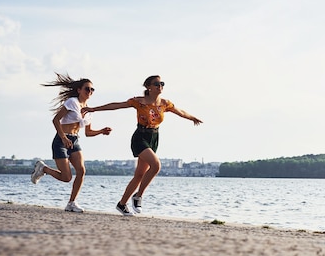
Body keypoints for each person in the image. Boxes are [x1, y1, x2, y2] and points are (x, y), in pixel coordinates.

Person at [82, 75, 202, 216]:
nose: (160, 86)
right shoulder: (139, 102)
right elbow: (116, 105)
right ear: (149, 87)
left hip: (154, 138)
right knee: (156, 165)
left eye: (162, 83)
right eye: (157, 84)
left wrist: (192, 118)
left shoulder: (165, 103)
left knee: (139, 175)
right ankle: (138, 196)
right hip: (140, 137)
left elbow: (180, 112)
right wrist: (94, 109)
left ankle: (121, 204)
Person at [31, 73, 112, 213]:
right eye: (87, 89)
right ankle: (43, 169)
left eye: (92, 90)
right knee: (66, 177)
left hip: (74, 140)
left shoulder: (89, 110)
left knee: (81, 171)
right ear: (79, 90)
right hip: (61, 140)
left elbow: (88, 132)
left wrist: (101, 131)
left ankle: (71, 203)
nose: (90, 92)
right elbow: (56, 120)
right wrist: (63, 138)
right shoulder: (71, 102)